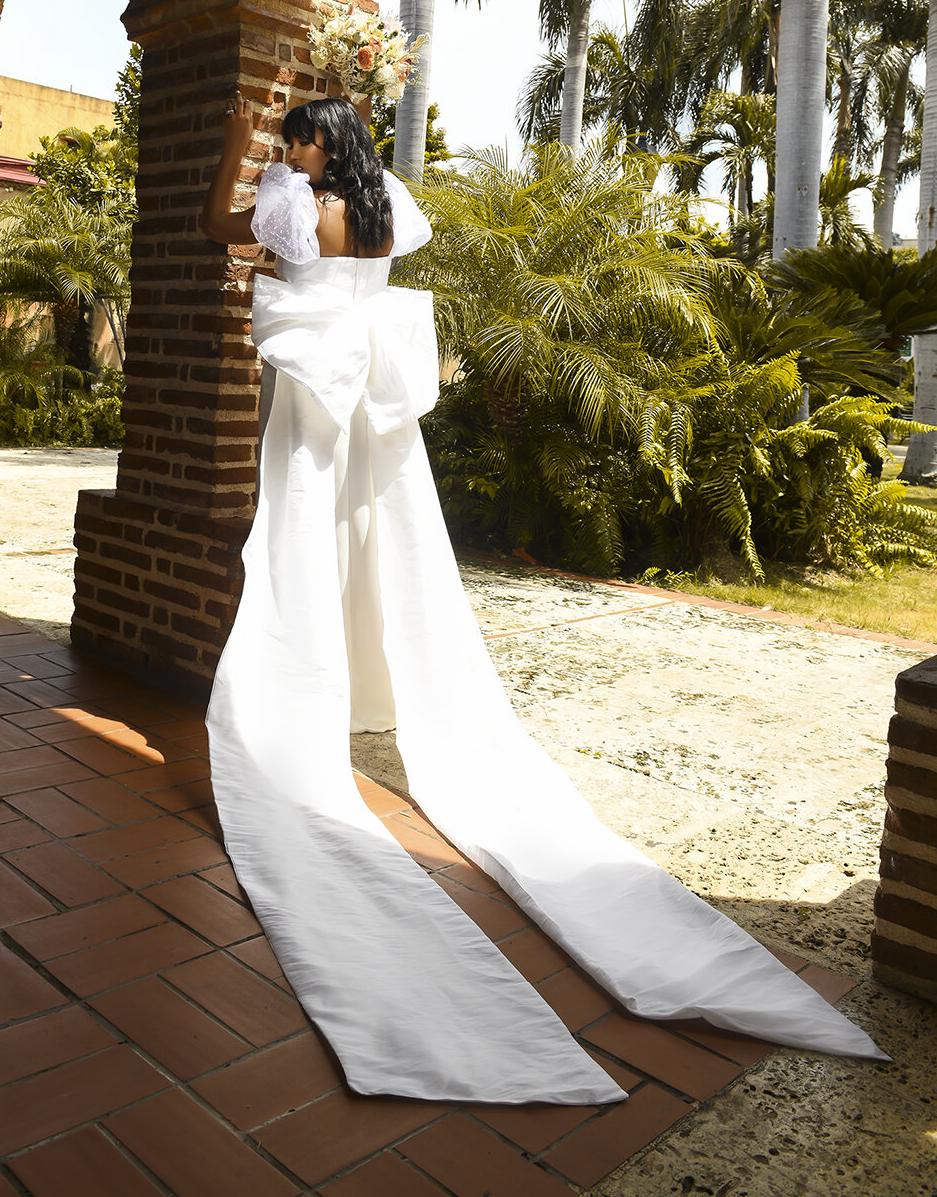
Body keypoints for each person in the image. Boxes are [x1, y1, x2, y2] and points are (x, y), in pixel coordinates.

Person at [201, 91, 887, 1104]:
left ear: (315, 140)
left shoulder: (290, 199)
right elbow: (352, 274)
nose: (290, 148)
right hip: (378, 402)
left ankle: (302, 694)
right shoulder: (385, 201)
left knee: (303, 529)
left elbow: (221, 229)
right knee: (386, 534)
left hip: (312, 393)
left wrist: (235, 146)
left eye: (297, 136)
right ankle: (374, 689)